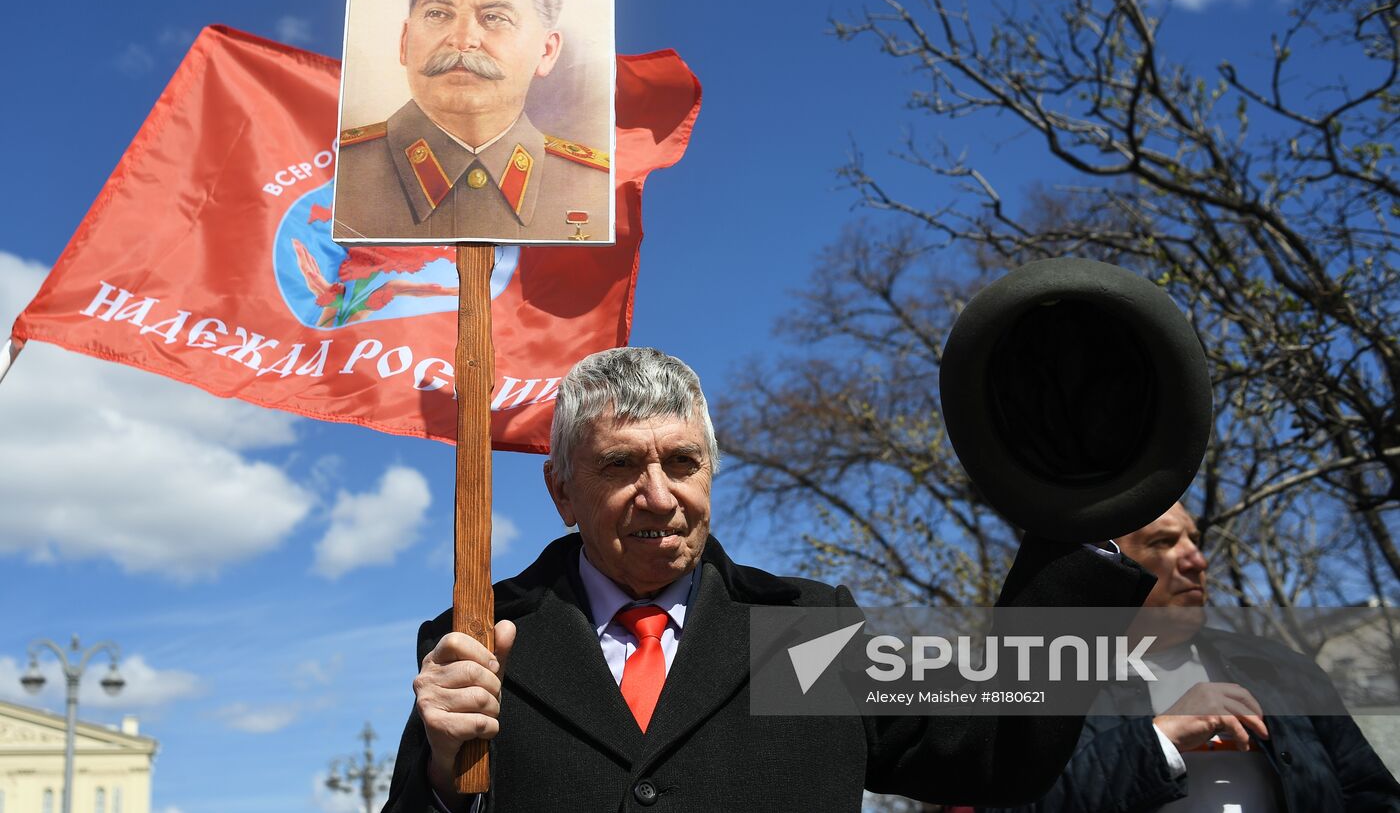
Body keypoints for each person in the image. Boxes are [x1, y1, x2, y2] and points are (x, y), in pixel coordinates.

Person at [383, 347, 1157, 812]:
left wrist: (1077, 513)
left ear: (711, 472)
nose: (660, 494)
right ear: (561, 491)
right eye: (620, 465)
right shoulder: (483, 638)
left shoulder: (806, 633)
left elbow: (996, 745)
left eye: (682, 462)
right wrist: (445, 783)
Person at [982, 502, 1400, 812]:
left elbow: (1371, 795)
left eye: (1195, 541)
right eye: (1163, 542)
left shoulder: (1281, 668)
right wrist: (1160, 742)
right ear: (1106, 567)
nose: (1197, 561)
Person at [333, 0, 611, 244]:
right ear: (405, 41)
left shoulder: (600, 189)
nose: (462, 39)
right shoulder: (334, 176)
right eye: (438, 14)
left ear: (545, 52)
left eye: (495, 17)